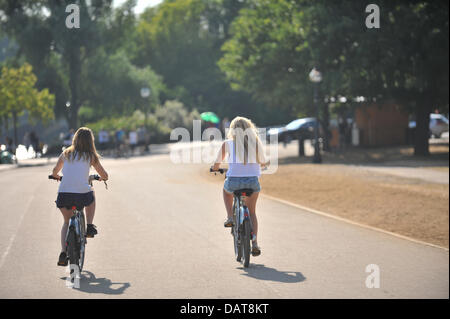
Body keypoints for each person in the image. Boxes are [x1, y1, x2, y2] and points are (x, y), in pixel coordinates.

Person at [51, 127, 109, 266]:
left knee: (66, 222)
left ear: (75, 138)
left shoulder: (65, 153)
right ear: (91, 141)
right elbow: (105, 175)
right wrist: (101, 178)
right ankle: (89, 226)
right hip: (82, 195)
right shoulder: (90, 156)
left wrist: (57, 177)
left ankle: (63, 253)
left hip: (64, 195)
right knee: (91, 193)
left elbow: (54, 172)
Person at [211, 116, 268, 257]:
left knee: (226, 191)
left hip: (234, 182)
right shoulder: (255, 143)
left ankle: (230, 217)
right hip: (252, 183)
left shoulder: (228, 144)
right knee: (252, 212)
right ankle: (254, 243)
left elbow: (217, 164)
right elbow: (263, 162)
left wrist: (214, 168)